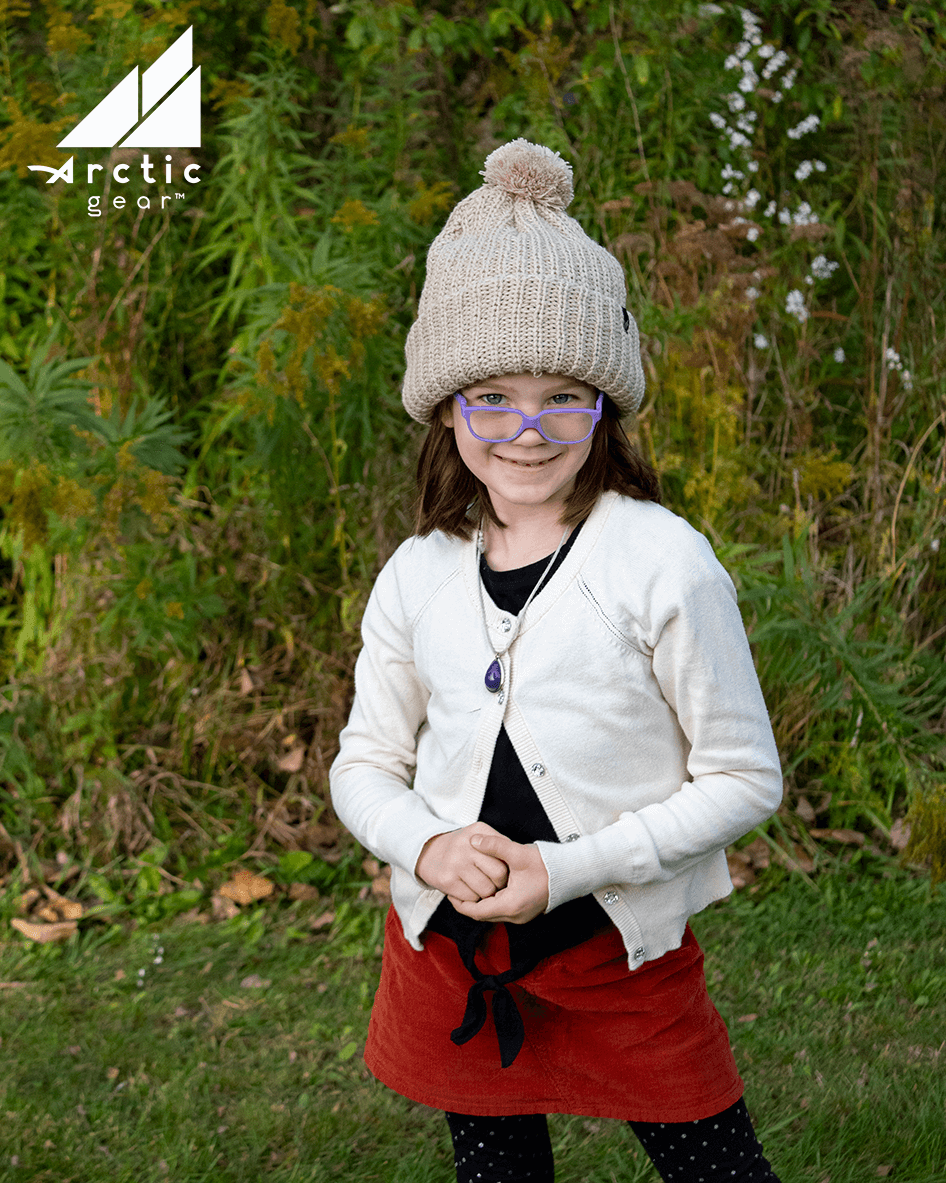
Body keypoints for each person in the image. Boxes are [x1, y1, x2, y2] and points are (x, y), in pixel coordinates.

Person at [329, 138, 783, 1183]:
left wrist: (562, 871)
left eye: (562, 396)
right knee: (493, 1167)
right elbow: (363, 763)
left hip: (616, 951)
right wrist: (425, 847)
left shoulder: (662, 562)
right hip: (454, 953)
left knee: (716, 1167)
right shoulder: (416, 572)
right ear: (446, 404)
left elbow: (744, 776)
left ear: (605, 407)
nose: (526, 430)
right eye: (491, 395)